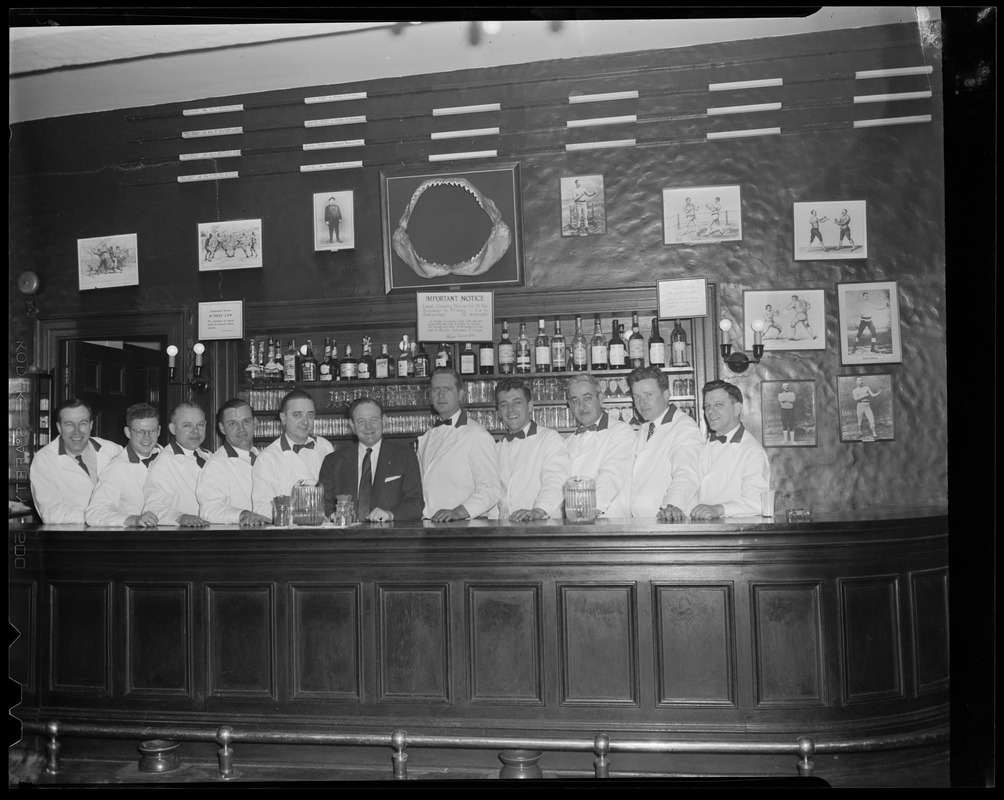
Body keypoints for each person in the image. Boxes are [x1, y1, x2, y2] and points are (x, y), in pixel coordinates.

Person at [318, 397, 423, 522]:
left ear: (384, 421)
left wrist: (390, 514)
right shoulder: (333, 461)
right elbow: (323, 502)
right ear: (352, 425)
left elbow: (416, 504)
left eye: (373, 420)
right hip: (345, 538)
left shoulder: (405, 457)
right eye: (361, 421)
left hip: (391, 537)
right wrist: (333, 516)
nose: (368, 427)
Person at [416, 367, 500, 522]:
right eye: (436, 389)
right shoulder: (427, 437)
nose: (441, 395)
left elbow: (491, 490)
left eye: (447, 389)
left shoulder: (477, 435)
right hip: (431, 527)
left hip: (466, 528)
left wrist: (458, 512)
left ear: (460, 394)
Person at [621, 366, 703, 521]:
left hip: (670, 520)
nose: (642, 403)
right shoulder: (645, 429)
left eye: (648, 395)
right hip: (643, 523)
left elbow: (687, 470)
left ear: (666, 395)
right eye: (637, 397)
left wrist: (673, 505)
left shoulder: (684, 426)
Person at [30, 398, 123, 523]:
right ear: (59, 427)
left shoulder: (114, 451)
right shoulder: (43, 460)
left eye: (83, 423)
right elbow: (51, 514)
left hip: (116, 534)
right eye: (69, 424)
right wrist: (100, 517)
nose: (77, 431)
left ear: (91, 425)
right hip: (73, 537)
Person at [691, 380, 771, 519]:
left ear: (737, 409)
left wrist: (718, 509)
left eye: (718, 405)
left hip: (734, 535)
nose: (710, 411)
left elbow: (758, 501)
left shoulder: (751, 451)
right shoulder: (702, 445)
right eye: (707, 406)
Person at [494, 377, 570, 521]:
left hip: (541, 530)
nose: (510, 410)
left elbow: (556, 481)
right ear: (498, 411)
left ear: (529, 406)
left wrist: (538, 511)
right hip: (504, 533)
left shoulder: (549, 439)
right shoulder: (496, 449)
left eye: (517, 402)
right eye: (504, 405)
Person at [252, 388, 335, 519]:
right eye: (297, 415)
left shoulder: (325, 446)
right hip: (292, 533)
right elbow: (262, 508)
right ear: (283, 418)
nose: (305, 422)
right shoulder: (268, 458)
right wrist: (300, 516)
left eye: (310, 415)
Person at [563, 374, 635, 518]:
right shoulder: (567, 442)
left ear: (600, 399)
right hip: (575, 525)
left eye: (587, 398)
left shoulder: (621, 431)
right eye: (575, 400)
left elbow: (611, 475)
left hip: (609, 524)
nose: (581, 406)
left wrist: (589, 508)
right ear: (570, 405)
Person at [84, 403, 162, 527]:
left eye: (152, 431)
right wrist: (133, 520)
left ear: (159, 431)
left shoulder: (169, 458)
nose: (147, 437)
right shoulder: (117, 468)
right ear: (128, 432)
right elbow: (94, 513)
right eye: (140, 431)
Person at [196, 398, 270, 526]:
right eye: (233, 424)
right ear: (222, 428)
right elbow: (209, 510)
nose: (241, 429)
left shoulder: (265, 458)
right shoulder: (216, 465)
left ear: (255, 423)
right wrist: (243, 514)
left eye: (246, 421)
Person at [143, 401, 213, 527]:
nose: (195, 431)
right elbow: (153, 510)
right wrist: (181, 518)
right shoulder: (164, 462)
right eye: (187, 426)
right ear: (172, 429)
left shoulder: (209, 456)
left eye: (200, 425)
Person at [852, 377, 882, 441]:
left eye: (862, 380)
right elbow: (855, 399)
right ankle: (860, 433)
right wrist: (864, 395)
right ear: (856, 382)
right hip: (859, 406)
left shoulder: (866, 388)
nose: (861, 381)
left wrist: (878, 393)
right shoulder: (854, 390)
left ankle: (874, 434)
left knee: (872, 420)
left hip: (867, 406)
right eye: (860, 380)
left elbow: (873, 395)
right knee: (859, 421)